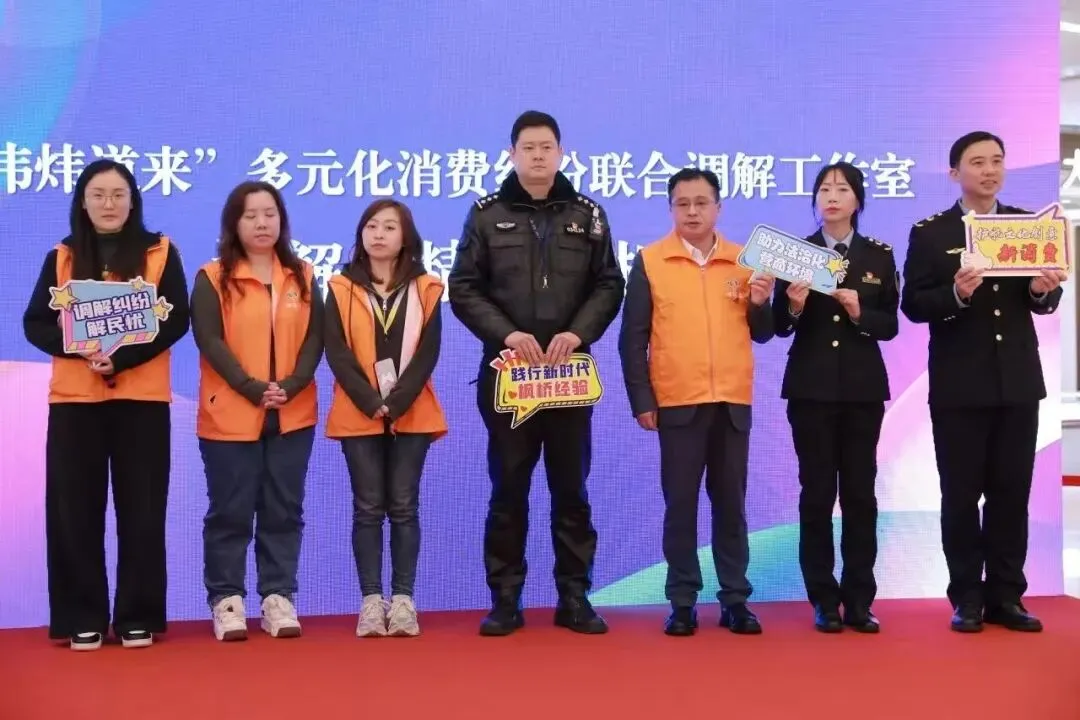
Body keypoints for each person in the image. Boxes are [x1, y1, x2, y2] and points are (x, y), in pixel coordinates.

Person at [448, 110, 625, 636]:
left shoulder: (588, 215)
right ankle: (506, 601)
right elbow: (464, 287)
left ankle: (575, 597)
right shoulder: (486, 214)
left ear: (561, 153)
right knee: (508, 491)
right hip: (510, 378)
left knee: (572, 491)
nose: (539, 155)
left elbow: (609, 284)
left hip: (568, 377)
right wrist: (507, 335)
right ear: (512, 155)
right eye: (528, 147)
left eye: (547, 146)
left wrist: (578, 333)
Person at [900, 131, 1066, 633]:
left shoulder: (1026, 228)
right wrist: (956, 294)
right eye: (977, 162)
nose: (989, 170)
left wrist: (1041, 291)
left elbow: (1042, 302)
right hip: (959, 386)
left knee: (1011, 494)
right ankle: (967, 598)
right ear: (955, 173)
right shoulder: (932, 233)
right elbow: (914, 305)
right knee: (960, 495)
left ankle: (1007, 597)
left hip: (1017, 382)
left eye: (997, 160)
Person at [22, 159, 190, 651]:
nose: (109, 203)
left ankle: (138, 616)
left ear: (133, 200)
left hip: (141, 399)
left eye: (118, 194)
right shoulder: (62, 256)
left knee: (143, 510)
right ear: (83, 202)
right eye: (98, 195)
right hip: (76, 401)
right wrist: (79, 348)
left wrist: (122, 358)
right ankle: (82, 617)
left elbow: (176, 319)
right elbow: (35, 323)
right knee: (73, 511)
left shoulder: (161, 252)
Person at [618, 168, 774, 637]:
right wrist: (642, 398)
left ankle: (735, 600)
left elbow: (763, 333)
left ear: (718, 208)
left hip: (731, 402)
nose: (692, 212)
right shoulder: (651, 261)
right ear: (671, 208)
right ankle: (682, 601)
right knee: (680, 507)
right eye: (682, 203)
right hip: (677, 402)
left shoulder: (744, 260)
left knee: (732, 507)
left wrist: (761, 303)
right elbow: (633, 338)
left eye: (701, 202)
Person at [191, 181, 323, 642]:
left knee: (283, 509)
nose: (262, 223)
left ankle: (277, 596)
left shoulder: (302, 274)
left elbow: (316, 337)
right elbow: (209, 340)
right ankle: (227, 599)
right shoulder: (213, 277)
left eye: (270, 214)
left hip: (292, 412)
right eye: (250, 215)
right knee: (230, 511)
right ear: (234, 223)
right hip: (230, 413)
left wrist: (292, 384)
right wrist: (250, 388)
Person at [771, 162, 898, 634]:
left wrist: (861, 312)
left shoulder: (878, 255)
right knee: (817, 495)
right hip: (811, 392)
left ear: (857, 200)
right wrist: (794, 304)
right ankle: (823, 599)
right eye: (824, 189)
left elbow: (891, 325)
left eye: (842, 189)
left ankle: (860, 600)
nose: (831, 196)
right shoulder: (797, 254)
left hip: (863, 392)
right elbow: (778, 326)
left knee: (861, 496)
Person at [324, 199, 446, 638]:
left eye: (390, 227)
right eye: (372, 226)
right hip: (357, 410)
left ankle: (405, 600)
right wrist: (369, 400)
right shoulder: (341, 287)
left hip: (412, 409)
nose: (379, 234)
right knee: (367, 508)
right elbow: (335, 349)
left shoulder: (427, 288)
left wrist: (397, 402)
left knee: (404, 507)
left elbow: (429, 351)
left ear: (405, 237)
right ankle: (372, 601)